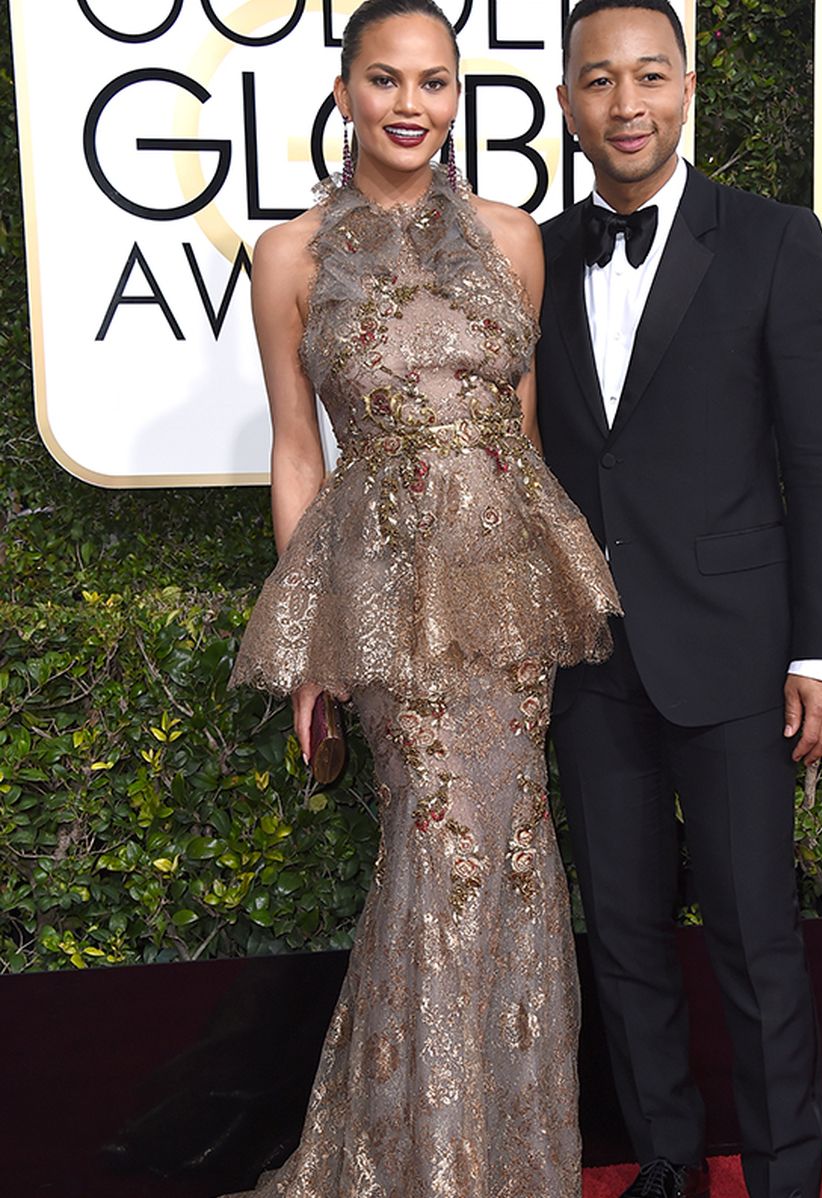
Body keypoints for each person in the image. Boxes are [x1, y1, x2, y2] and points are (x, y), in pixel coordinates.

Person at [225, 1, 619, 1195]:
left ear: (457, 98)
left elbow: (526, 435)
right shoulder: (290, 255)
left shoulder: (512, 238)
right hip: (386, 595)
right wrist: (313, 648)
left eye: (435, 83)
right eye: (387, 81)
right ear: (343, 94)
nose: (412, 106)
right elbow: (301, 456)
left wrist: (549, 588)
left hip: (505, 592)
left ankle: (508, 1162)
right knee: (435, 846)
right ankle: (417, 1164)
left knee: (513, 857)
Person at [536, 3, 822, 1197]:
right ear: (566, 102)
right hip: (589, 659)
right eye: (599, 80)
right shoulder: (538, 255)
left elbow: (817, 461)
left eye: (650, 76)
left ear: (686, 90)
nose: (627, 104)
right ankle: (668, 1163)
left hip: (733, 652)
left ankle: (784, 1177)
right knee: (622, 939)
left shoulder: (773, 240)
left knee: (754, 941)